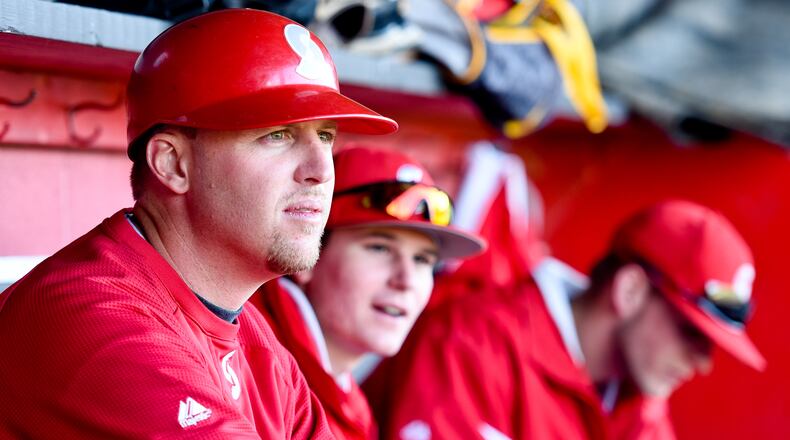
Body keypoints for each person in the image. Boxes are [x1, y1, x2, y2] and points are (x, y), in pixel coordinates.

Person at [0, 9, 397, 438]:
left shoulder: (253, 339)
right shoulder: (89, 318)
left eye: (325, 137)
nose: (321, 170)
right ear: (173, 164)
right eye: (277, 135)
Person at [369, 200, 765, 439]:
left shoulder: (642, 399)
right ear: (630, 291)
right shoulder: (471, 340)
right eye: (690, 331)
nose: (702, 362)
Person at [250, 146, 485, 439]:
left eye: (423, 260)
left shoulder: (342, 400)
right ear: (307, 255)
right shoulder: (248, 372)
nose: (406, 280)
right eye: (380, 248)